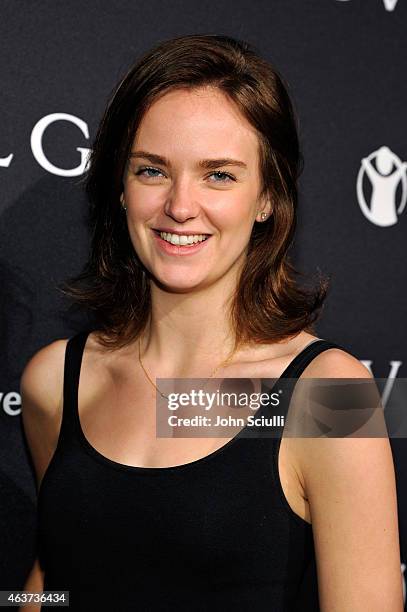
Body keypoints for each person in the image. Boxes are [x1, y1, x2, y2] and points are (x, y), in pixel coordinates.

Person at [20, 34, 403, 611]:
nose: (179, 205)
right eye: (152, 170)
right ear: (120, 189)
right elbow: (52, 584)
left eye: (219, 175)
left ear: (268, 196)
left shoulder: (327, 396)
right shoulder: (56, 379)